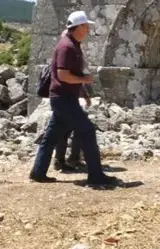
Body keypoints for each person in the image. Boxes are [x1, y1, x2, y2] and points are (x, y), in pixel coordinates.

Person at [29, 11, 118, 187]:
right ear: (77, 27)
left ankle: (38, 172)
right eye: (85, 26)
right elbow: (62, 75)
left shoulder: (72, 45)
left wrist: (82, 90)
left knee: (51, 137)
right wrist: (84, 79)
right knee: (87, 131)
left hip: (62, 98)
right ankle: (96, 176)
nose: (88, 30)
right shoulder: (67, 47)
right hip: (64, 99)